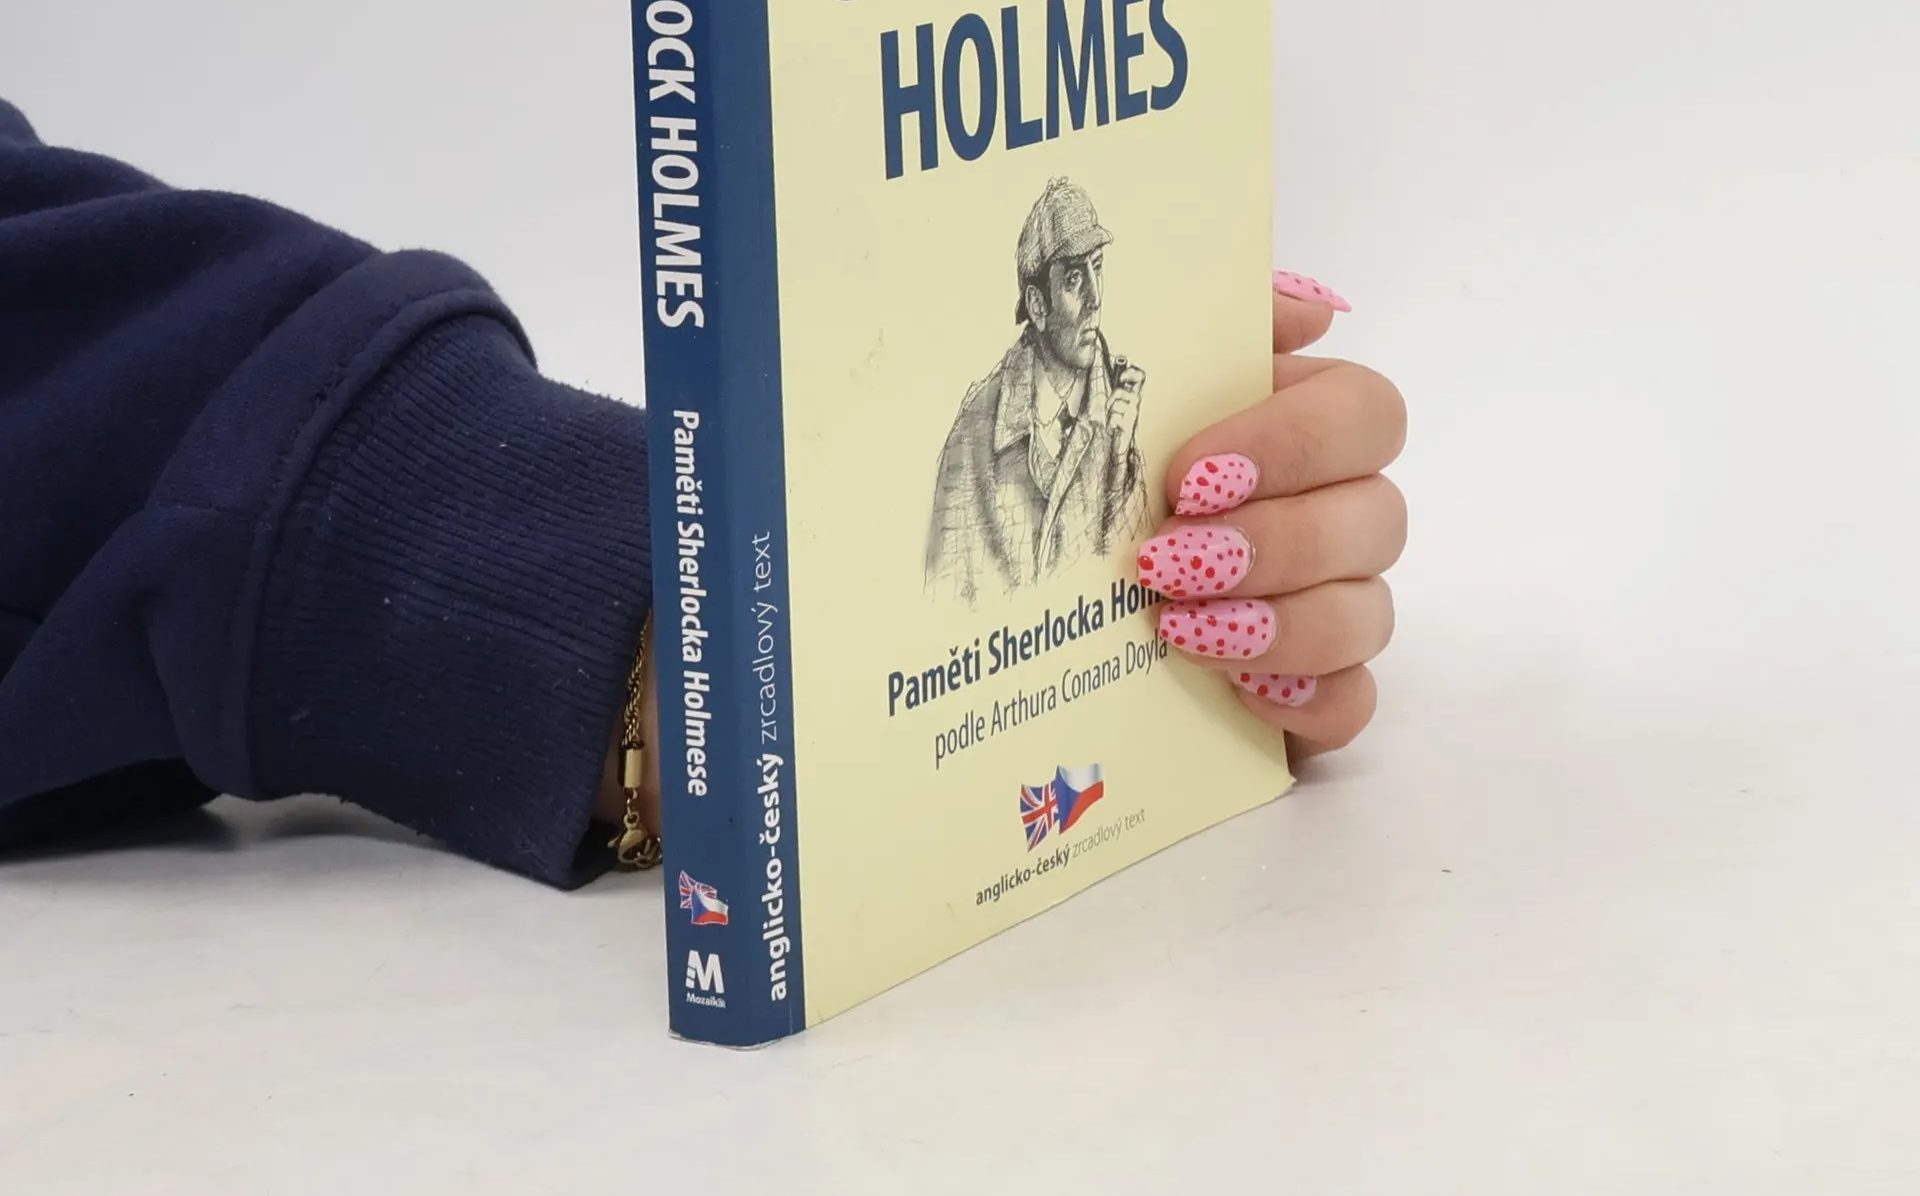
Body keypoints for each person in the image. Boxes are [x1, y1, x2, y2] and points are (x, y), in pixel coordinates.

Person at [0, 99, 1406, 885]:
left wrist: (1131, 655)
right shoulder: (985, 426)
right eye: (1074, 272)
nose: (1096, 296)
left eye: (1107, 268)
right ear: (1032, 290)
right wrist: (665, 592)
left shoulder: (1117, 392)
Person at [925, 177, 1150, 604]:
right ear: (1037, 305)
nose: (1096, 298)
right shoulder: (975, 432)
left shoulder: (1116, 408)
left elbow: (1144, 580)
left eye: (1098, 268)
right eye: (1074, 279)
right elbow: (941, 599)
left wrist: (1121, 460)